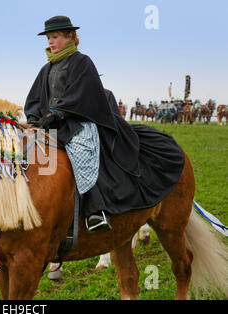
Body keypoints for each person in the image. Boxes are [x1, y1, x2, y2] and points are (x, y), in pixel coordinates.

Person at [24, 16, 184, 234]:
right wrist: (34, 119)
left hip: (78, 124)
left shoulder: (82, 62)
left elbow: (83, 94)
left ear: (70, 36)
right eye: (49, 38)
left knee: (82, 156)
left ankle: (95, 211)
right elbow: (34, 99)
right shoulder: (46, 69)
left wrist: (58, 112)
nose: (51, 42)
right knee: (32, 158)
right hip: (51, 127)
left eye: (55, 37)